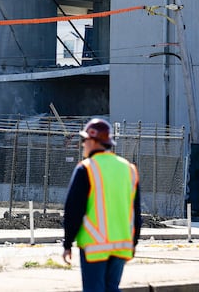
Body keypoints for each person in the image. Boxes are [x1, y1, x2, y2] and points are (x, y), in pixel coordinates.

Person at [62, 118, 141, 292]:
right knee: (112, 288)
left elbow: (73, 210)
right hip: (121, 244)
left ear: (92, 141)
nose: (82, 144)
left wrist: (67, 243)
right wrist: (133, 243)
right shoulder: (129, 169)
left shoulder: (86, 168)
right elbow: (136, 212)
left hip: (95, 244)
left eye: (84, 141)